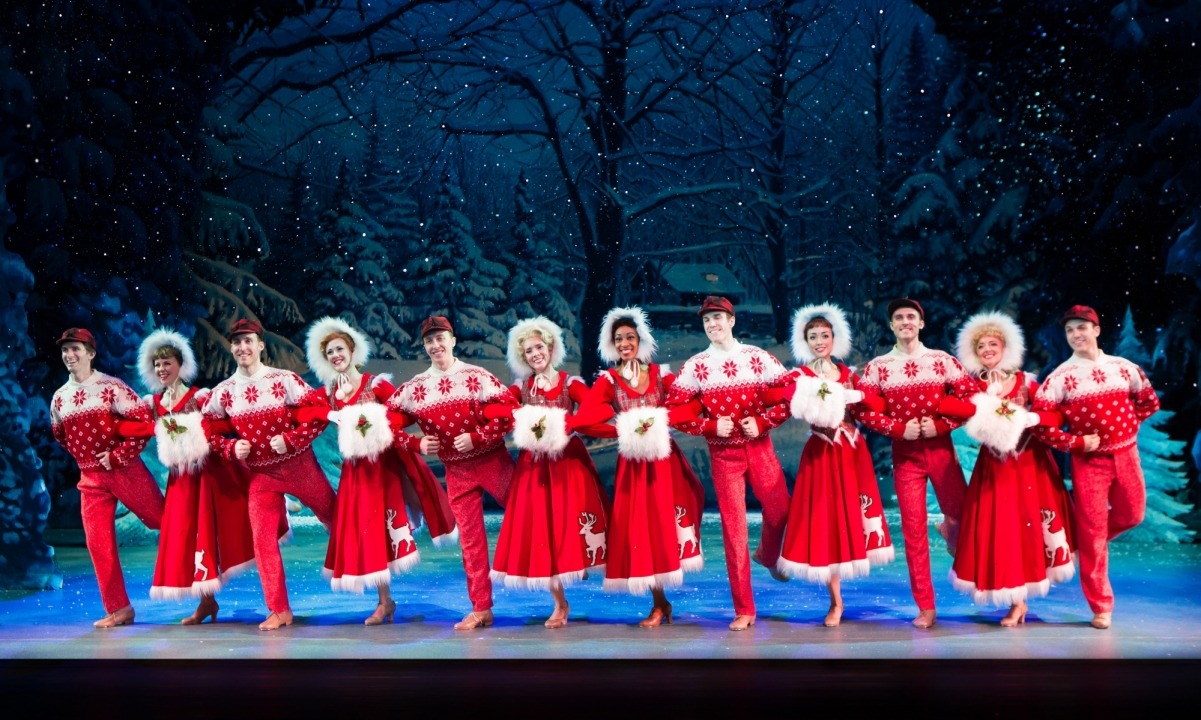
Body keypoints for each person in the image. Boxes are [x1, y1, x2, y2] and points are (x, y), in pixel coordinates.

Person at [303, 317, 457, 626]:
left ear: (353, 350)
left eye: (340, 349)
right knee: (366, 532)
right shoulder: (330, 393)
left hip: (382, 469)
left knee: (383, 529)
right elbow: (305, 411)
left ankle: (387, 600)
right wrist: (330, 413)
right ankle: (384, 600)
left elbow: (404, 412)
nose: (335, 356)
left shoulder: (376, 384)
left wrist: (408, 439)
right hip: (355, 472)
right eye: (330, 352)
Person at [936, 312, 1077, 626]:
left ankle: (1020, 601)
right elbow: (945, 405)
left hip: (1029, 465)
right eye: (981, 345)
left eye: (993, 344)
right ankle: (1015, 599)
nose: (987, 349)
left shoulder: (1026, 381)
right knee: (1003, 531)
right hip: (995, 469)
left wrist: (1034, 418)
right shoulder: (972, 386)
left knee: (1028, 530)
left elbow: (1055, 415)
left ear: (1005, 347)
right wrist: (978, 405)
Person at [571, 307, 705, 628]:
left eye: (630, 337)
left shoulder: (662, 375)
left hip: (664, 462)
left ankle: (662, 603)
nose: (625, 343)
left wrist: (661, 420)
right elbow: (584, 421)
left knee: (664, 526)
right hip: (634, 466)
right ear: (612, 345)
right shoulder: (609, 381)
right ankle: (659, 603)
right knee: (643, 529)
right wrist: (622, 429)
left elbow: (693, 403)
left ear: (640, 340)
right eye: (619, 339)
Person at [666, 296, 792, 631]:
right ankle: (745, 608)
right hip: (724, 456)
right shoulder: (697, 366)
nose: (713, 325)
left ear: (732, 321)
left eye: (718, 318)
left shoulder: (756, 357)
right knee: (734, 532)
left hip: (759, 447)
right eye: (707, 320)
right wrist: (708, 426)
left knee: (780, 508)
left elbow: (790, 392)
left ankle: (768, 554)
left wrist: (764, 422)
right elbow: (674, 410)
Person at [202, 318, 336, 630]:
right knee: (262, 540)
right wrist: (230, 448)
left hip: (300, 467)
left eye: (248, 341)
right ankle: (279, 609)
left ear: (261, 345)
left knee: (337, 520)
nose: (242, 347)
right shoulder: (224, 392)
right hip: (261, 476)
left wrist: (290, 440)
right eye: (236, 342)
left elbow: (319, 416)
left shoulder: (284, 380)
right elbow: (206, 431)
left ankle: (376, 586)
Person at [1032, 304, 1159, 630]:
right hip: (1089, 463)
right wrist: (1075, 443)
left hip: (1126, 455)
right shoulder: (1061, 377)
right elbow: (1041, 426)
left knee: (1133, 514)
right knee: (1092, 530)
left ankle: (1086, 542)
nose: (1077, 334)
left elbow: (1148, 401)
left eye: (1082, 327)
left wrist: (1128, 425)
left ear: (1096, 330)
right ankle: (1101, 605)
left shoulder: (1123, 367)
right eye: (1070, 330)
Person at [387, 316, 517, 631]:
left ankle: (559, 589)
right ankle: (481, 608)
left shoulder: (477, 376)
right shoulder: (416, 388)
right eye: (429, 341)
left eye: (440, 338)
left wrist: (479, 436)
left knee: (527, 517)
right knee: (471, 542)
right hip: (457, 471)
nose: (435, 345)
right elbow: (383, 424)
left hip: (492, 462)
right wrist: (414, 443)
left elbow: (510, 412)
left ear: (453, 340)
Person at [855, 298, 978, 628]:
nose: (905, 321)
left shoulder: (942, 361)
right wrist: (897, 428)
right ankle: (925, 606)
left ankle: (951, 530)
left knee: (964, 515)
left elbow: (970, 398)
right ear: (892, 325)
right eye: (898, 317)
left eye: (911, 316)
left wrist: (940, 425)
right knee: (912, 531)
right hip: (906, 457)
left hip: (940, 450)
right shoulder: (878, 367)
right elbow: (863, 410)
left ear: (921, 323)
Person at [771, 304, 895, 627]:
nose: (819, 341)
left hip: (852, 453)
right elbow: (780, 395)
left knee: (850, 519)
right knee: (826, 522)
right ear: (805, 342)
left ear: (834, 338)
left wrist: (859, 398)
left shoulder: (849, 373)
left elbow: (872, 404)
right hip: (823, 455)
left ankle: (842, 589)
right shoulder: (801, 375)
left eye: (824, 335)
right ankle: (836, 601)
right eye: (813, 337)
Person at [486, 317, 612, 629]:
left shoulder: (570, 383)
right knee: (542, 529)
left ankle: (578, 568)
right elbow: (490, 410)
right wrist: (518, 412)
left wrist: (571, 423)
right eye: (528, 351)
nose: (535, 354)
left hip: (567, 464)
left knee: (570, 526)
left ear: (550, 347)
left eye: (539, 347)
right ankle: (559, 602)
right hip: (534, 467)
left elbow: (602, 409)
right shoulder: (521, 387)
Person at [127, 328, 259, 625]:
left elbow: (226, 422)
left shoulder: (199, 396)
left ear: (180, 364)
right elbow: (136, 429)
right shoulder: (155, 404)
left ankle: (272, 600)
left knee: (215, 530)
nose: (162, 369)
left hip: (209, 475)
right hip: (180, 480)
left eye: (167, 363)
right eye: (157, 365)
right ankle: (207, 601)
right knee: (189, 536)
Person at [50, 327, 165, 628]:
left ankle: (205, 586)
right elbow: (61, 435)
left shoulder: (111, 388)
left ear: (90, 353)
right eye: (65, 350)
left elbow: (143, 423)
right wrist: (87, 460)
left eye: (76, 349)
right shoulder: (60, 398)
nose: (69, 354)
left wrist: (117, 455)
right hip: (91, 478)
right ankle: (119, 609)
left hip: (125, 471)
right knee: (97, 542)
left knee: (165, 521)